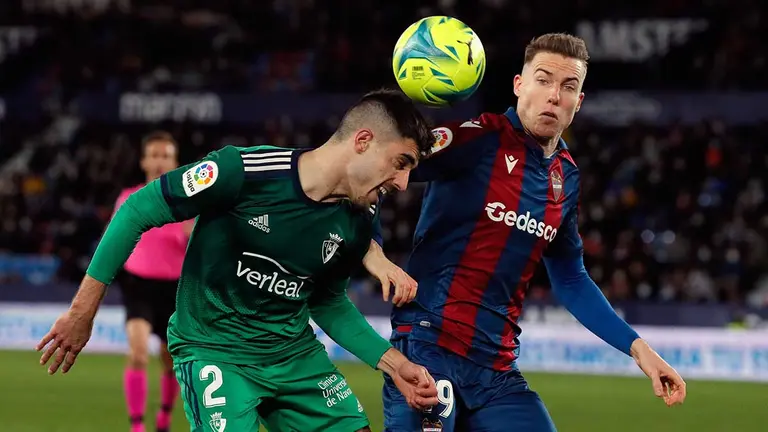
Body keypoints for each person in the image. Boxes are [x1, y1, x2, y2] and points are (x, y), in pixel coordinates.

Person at [36, 89, 439, 432]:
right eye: (400, 163)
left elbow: (328, 301)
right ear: (363, 140)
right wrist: (83, 309)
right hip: (216, 352)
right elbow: (138, 209)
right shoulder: (243, 172)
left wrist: (393, 363)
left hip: (294, 357)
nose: (403, 184)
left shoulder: (359, 220)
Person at [369, 33, 688, 431]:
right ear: (519, 85)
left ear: (579, 102)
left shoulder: (565, 177)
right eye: (543, 79)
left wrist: (640, 351)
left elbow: (571, 278)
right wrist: (375, 253)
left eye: (568, 86)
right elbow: (373, 167)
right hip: (428, 348)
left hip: (497, 371)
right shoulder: (476, 139)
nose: (554, 95)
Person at [113, 131, 192, 432]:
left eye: (166, 156)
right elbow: (115, 244)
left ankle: (164, 415)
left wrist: (190, 230)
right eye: (154, 155)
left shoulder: (187, 206)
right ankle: (136, 425)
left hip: (174, 290)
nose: (159, 161)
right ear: (144, 161)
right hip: (138, 286)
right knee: (137, 352)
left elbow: (200, 249)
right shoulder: (128, 199)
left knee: (169, 360)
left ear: (175, 163)